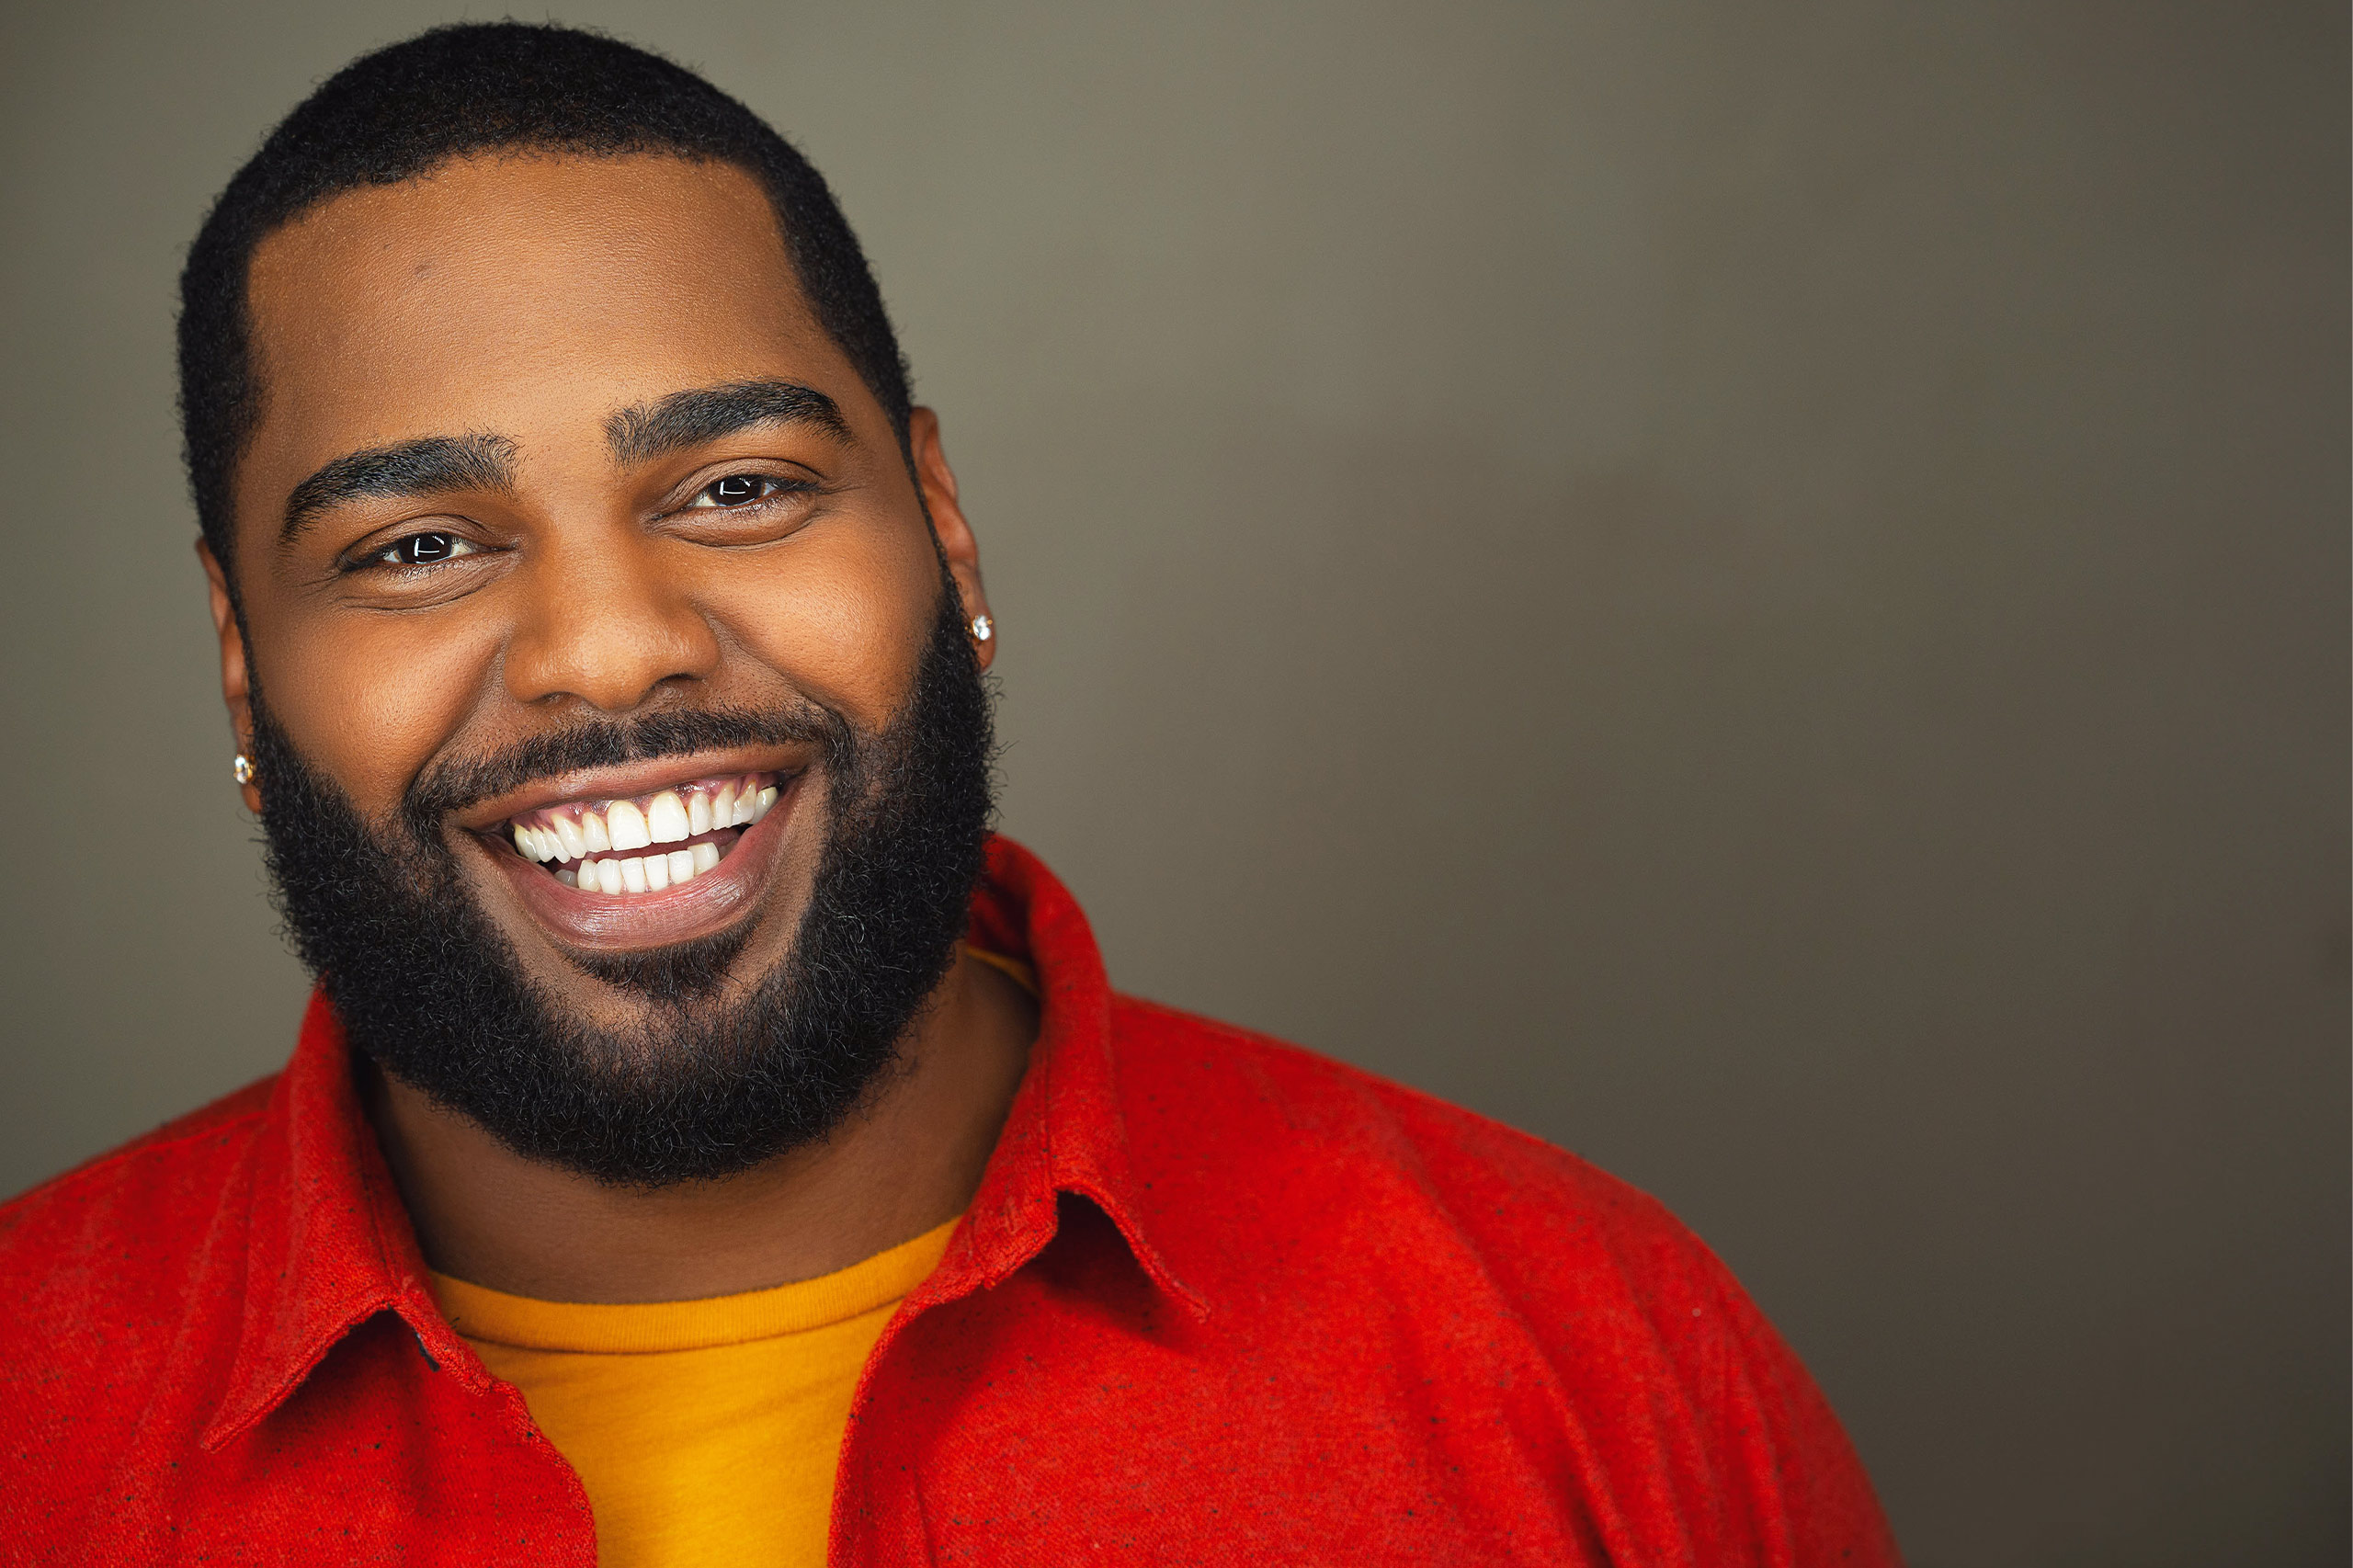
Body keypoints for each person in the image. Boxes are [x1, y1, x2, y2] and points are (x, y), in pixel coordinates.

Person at [0, 23, 1900, 1566]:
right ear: (242, 654)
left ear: (943, 525)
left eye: (737, 487)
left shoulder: (1588, 1350)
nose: (613, 648)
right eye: (416, 545)